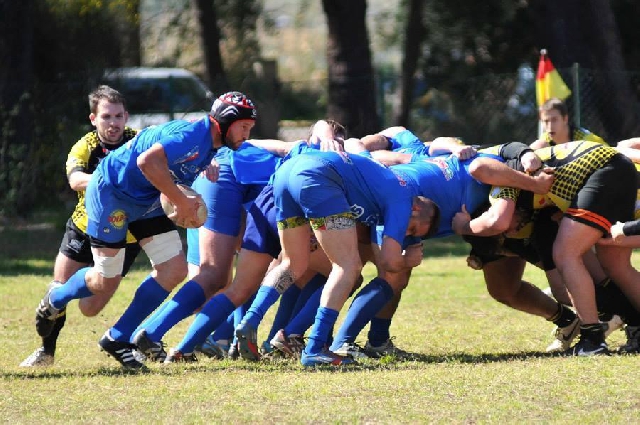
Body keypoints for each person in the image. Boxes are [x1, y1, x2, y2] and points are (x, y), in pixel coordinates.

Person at [33, 91, 257, 368]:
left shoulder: (211, 143)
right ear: (225, 121)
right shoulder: (192, 135)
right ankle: (56, 297)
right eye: (244, 127)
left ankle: (118, 337)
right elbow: (147, 162)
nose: (246, 134)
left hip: (147, 198)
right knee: (104, 279)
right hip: (111, 194)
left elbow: (168, 155)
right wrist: (180, 201)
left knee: (175, 269)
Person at [454, 141, 638, 355]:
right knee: (616, 267)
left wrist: (463, 226)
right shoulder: (520, 194)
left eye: (505, 233)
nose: (512, 231)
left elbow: (495, 219)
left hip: (602, 169)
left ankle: (592, 339)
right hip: (614, 168)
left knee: (566, 254)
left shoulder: (502, 188)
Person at [20, 86, 142, 367]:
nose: (113, 123)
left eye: (118, 116)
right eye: (106, 117)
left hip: (125, 235)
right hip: (84, 228)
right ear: (93, 119)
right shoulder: (85, 147)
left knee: (89, 308)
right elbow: (76, 181)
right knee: (57, 289)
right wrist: (112, 181)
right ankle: (46, 352)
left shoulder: (138, 142)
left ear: (127, 117)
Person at [530, 98, 607, 149]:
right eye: (546, 121)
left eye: (554, 120)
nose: (550, 126)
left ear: (565, 119)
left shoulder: (587, 140)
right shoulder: (543, 142)